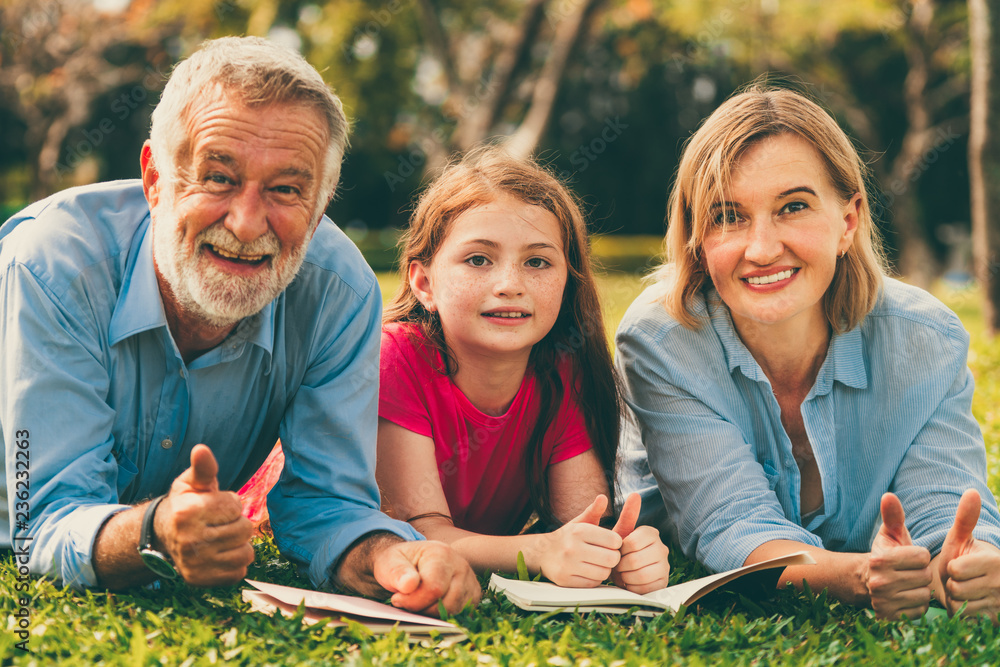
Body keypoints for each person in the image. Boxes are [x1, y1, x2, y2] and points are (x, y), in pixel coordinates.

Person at [0, 36, 479, 616]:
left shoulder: (339, 292)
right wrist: (156, 531)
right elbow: (45, 521)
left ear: (322, 202)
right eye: (219, 178)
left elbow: (326, 503)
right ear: (155, 179)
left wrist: (392, 557)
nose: (249, 224)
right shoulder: (53, 266)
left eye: (285, 190)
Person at [617, 83, 1000, 620]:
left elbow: (946, 511)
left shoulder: (924, 339)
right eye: (728, 216)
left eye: (793, 206)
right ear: (697, 239)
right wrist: (858, 575)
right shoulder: (662, 341)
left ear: (847, 221)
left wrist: (968, 565)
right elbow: (732, 525)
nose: (762, 248)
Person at [372, 146, 670, 592]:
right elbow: (421, 534)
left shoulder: (563, 371)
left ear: (567, 281)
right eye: (478, 259)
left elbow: (583, 524)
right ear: (424, 283)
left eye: (537, 262)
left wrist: (620, 553)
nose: (510, 285)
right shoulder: (395, 357)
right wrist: (541, 551)